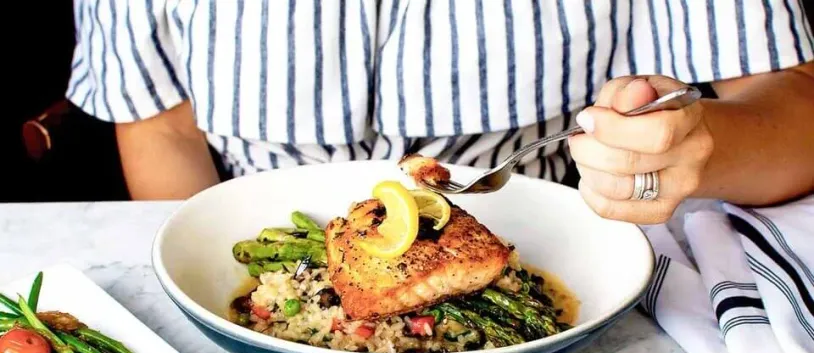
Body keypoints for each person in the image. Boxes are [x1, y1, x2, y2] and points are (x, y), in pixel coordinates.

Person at [67, 1, 814, 224]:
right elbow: (163, 129)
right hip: (264, 254)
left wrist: (692, 151)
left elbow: (796, 109)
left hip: (556, 242)